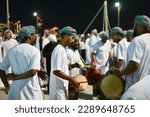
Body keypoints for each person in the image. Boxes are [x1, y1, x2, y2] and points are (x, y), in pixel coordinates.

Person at [0, 25, 43, 100]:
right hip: (31, 93)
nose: (35, 37)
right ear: (29, 37)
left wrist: (7, 86)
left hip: (15, 93)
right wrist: (15, 77)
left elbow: (1, 69)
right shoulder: (34, 51)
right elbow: (33, 72)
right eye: (34, 35)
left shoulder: (12, 51)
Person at [119, 15, 150, 91]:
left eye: (135, 25)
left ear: (139, 26)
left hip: (135, 88)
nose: (134, 28)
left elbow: (133, 65)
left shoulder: (138, 40)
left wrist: (120, 73)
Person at [49, 26, 79, 100]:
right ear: (66, 36)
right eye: (72, 38)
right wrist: (71, 79)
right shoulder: (59, 50)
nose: (73, 41)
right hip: (58, 90)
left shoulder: (63, 49)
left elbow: (63, 68)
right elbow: (56, 71)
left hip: (62, 87)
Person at [91, 31, 111, 99]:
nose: (105, 40)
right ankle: (95, 94)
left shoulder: (108, 43)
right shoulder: (97, 44)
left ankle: (102, 94)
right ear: (101, 38)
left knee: (103, 80)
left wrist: (110, 56)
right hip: (98, 65)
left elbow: (109, 52)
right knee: (96, 80)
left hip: (105, 66)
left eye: (106, 39)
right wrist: (94, 62)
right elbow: (93, 54)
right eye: (104, 39)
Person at [66, 35, 84, 100]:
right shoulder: (67, 51)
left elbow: (80, 63)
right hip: (70, 80)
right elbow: (65, 68)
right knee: (71, 98)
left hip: (77, 79)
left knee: (76, 98)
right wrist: (74, 65)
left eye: (78, 41)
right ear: (71, 41)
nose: (77, 43)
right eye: (75, 41)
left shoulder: (76, 51)